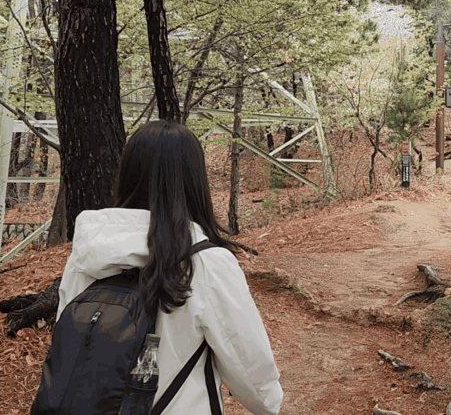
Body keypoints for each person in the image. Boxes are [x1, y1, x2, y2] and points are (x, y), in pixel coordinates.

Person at [56, 120, 283, 415]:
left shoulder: (88, 255)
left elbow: (68, 344)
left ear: (127, 174)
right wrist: (272, 402)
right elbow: (251, 372)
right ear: (194, 181)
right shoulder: (206, 262)